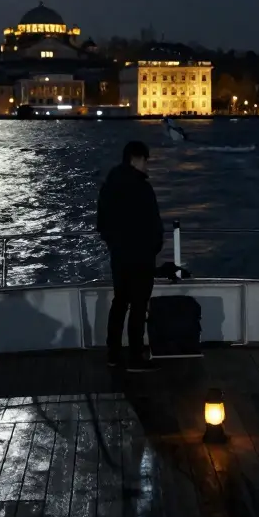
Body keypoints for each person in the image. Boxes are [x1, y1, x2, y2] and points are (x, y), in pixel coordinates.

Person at [96, 140, 164, 371]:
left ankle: (113, 354)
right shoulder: (142, 188)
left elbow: (102, 223)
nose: (148, 165)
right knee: (138, 306)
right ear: (136, 159)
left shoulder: (110, 186)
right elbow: (153, 223)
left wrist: (115, 245)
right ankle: (136, 355)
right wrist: (153, 246)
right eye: (146, 160)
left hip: (120, 256)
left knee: (120, 303)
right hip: (141, 257)